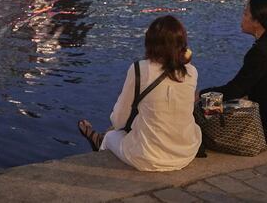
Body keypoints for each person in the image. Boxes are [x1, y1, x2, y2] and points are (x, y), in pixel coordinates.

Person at [77, 15, 201, 171]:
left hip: (149, 156)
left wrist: (120, 129)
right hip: (185, 152)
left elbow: (119, 120)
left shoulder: (139, 69)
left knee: (110, 136)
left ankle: (98, 140)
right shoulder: (191, 72)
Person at [200, 0, 267, 144]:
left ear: (257, 21)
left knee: (205, 108)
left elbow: (235, 90)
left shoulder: (261, 52)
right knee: (220, 104)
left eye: (245, 14)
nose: (242, 18)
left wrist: (201, 95)